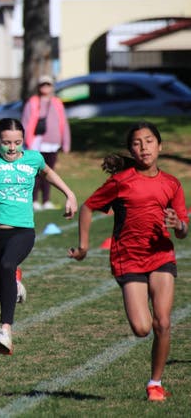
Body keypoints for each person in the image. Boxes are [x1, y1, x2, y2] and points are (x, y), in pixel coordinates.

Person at [69, 121, 187, 402]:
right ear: (131, 149)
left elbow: (182, 231)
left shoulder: (172, 183)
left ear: (160, 146)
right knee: (142, 328)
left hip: (161, 255)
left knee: (163, 323)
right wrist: (84, 246)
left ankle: (155, 384)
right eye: (137, 142)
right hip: (128, 259)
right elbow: (88, 206)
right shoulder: (122, 181)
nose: (143, 147)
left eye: (148, 141)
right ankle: (154, 379)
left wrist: (177, 224)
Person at [0, 118, 77, 355]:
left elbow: (48, 173)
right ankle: (14, 282)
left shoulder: (33, 158)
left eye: (17, 142)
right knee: (2, 291)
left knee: (7, 264)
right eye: (6, 143)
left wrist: (69, 194)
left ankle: (5, 332)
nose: (12, 148)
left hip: (22, 231)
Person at [21, 75, 71, 210]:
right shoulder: (32, 102)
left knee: (50, 172)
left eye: (48, 85)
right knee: (36, 172)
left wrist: (66, 142)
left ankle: (46, 200)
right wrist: (26, 141)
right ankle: (34, 200)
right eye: (43, 85)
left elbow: (63, 123)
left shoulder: (57, 103)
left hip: (53, 143)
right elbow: (25, 122)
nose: (45, 88)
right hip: (37, 143)